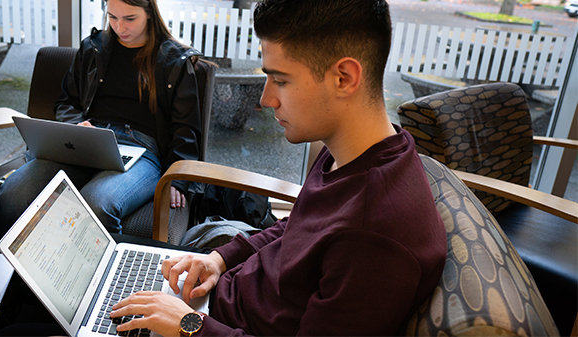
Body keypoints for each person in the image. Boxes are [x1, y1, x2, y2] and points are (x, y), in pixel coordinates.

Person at [109, 0, 448, 336]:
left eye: (281, 80)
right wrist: (220, 259)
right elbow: (298, 229)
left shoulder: (374, 237)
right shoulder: (356, 153)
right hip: (218, 297)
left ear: (344, 78)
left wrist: (189, 325)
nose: (266, 99)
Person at [0, 0, 207, 251]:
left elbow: (186, 128)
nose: (119, 27)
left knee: (97, 203)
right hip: (87, 141)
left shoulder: (174, 60)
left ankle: (98, 287)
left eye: (129, 18)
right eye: (112, 17)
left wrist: (177, 179)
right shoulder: (93, 48)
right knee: (13, 192)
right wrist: (77, 125)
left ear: (149, 13)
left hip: (141, 149)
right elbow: (66, 102)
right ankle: (7, 280)